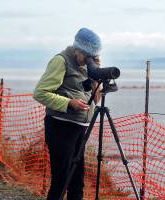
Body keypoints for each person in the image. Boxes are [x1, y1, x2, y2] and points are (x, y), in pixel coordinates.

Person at [33, 27, 102, 200]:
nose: (88, 61)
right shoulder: (61, 61)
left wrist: (95, 78)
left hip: (80, 129)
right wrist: (69, 103)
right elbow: (40, 93)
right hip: (60, 127)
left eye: (92, 57)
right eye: (86, 56)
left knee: (77, 182)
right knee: (61, 180)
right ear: (78, 49)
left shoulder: (87, 66)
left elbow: (97, 100)